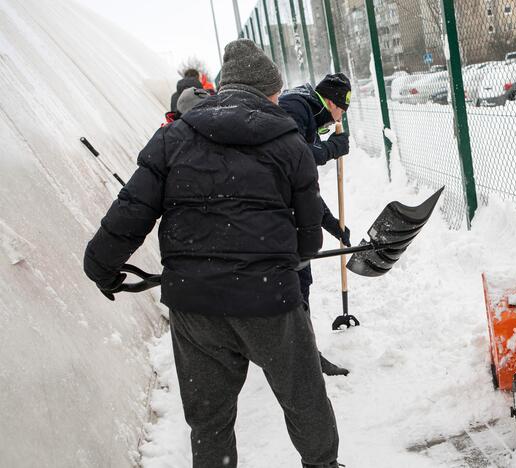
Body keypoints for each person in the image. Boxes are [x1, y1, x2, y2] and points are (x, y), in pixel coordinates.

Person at [84, 39, 339, 468]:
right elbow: (308, 239)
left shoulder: (174, 137)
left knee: (210, 420)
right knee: (303, 398)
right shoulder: (290, 142)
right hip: (269, 301)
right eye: (276, 93)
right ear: (266, 91)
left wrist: (101, 266)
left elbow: (132, 209)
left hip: (194, 304)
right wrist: (275, 260)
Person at [279, 74, 353, 376]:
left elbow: (302, 185)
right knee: (297, 281)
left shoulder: (304, 109)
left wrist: (329, 222)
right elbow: (295, 158)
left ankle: (298, 350)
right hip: (279, 217)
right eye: (344, 108)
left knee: (296, 282)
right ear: (332, 102)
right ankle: (304, 357)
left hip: (283, 211)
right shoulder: (297, 108)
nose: (342, 116)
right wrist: (330, 150)